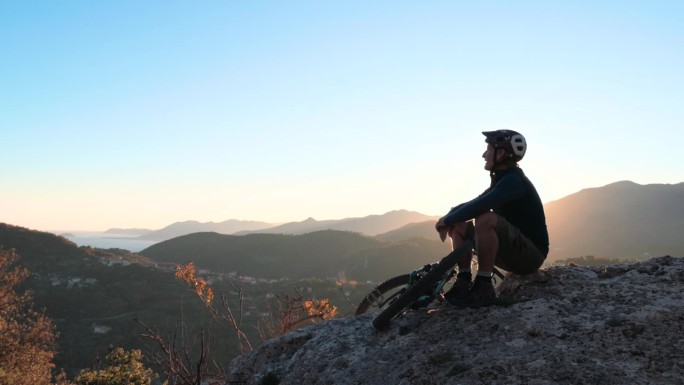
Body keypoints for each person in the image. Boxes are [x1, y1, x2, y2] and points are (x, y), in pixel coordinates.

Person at [435, 130, 549, 308]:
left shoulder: (514, 181)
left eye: (488, 149)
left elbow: (482, 205)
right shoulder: (502, 180)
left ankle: (484, 286)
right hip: (512, 249)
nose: (483, 155)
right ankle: (464, 281)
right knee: (459, 223)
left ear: (501, 153)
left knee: (485, 218)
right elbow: (478, 201)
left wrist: (448, 219)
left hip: (531, 255)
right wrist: (449, 217)